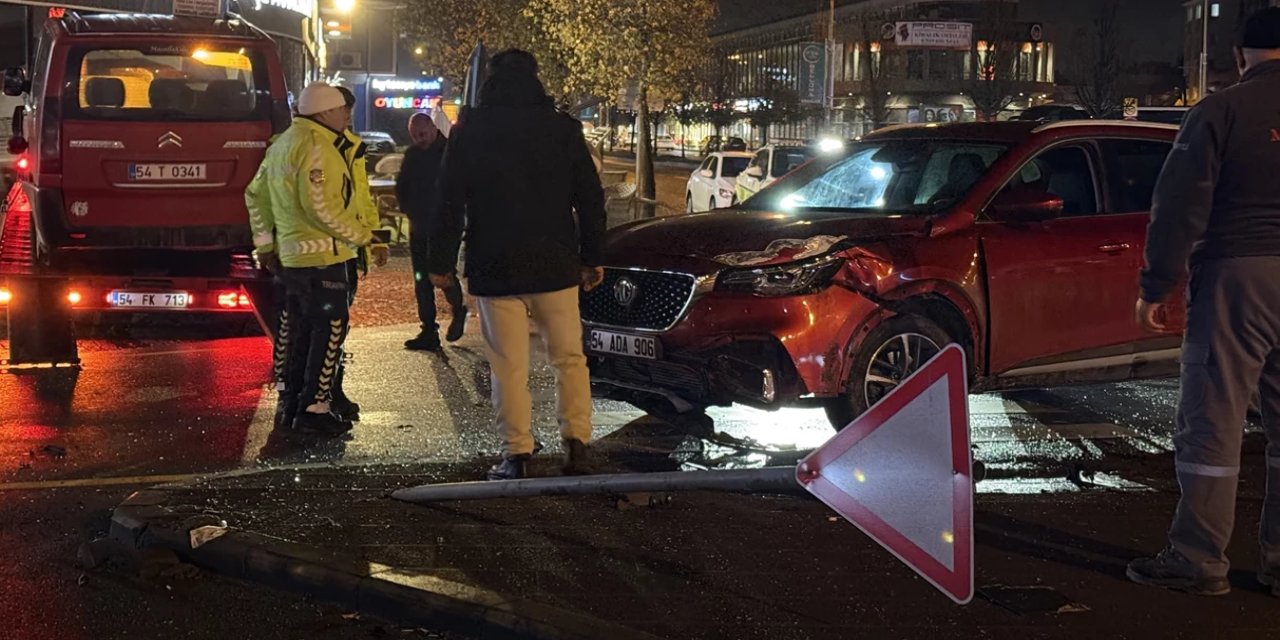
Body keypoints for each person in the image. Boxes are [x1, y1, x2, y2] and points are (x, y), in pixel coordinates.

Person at [1129, 7, 1280, 597]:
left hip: (1237, 276)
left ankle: (1198, 559)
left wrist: (1154, 286)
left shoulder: (1219, 111)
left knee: (1213, 421)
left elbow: (1180, 206)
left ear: (1242, 55)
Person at [429, 49, 607, 480]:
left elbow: (449, 202)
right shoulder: (563, 129)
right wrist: (592, 256)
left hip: (495, 262)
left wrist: (440, 262)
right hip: (555, 262)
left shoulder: (469, 132)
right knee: (569, 357)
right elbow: (589, 197)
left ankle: (517, 453)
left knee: (507, 364)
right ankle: (577, 444)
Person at [246, 82, 375, 436]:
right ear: (324, 111)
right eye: (342, 109)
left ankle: (289, 400)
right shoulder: (319, 146)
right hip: (323, 256)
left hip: (290, 258)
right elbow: (321, 207)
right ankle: (315, 407)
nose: (348, 114)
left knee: (294, 329)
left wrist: (265, 245)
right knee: (330, 329)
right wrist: (363, 235)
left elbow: (254, 195)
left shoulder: (283, 144)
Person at [397, 112, 466, 351]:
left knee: (441, 274)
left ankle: (458, 310)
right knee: (421, 280)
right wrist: (411, 212)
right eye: (415, 135)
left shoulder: (450, 153)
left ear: (433, 128)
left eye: (422, 134)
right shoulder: (413, 155)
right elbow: (402, 187)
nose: (419, 139)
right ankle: (428, 329)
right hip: (420, 226)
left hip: (445, 227)